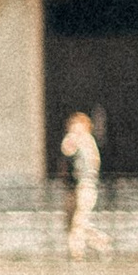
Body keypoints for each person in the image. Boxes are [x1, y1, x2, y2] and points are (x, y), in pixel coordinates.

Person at [60, 107, 107, 259]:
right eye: (72, 124)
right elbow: (66, 152)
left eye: (78, 124)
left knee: (78, 222)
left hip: (85, 186)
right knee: (72, 222)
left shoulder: (87, 141)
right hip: (71, 188)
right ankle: (100, 241)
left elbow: (91, 163)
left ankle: (76, 254)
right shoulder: (71, 139)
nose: (74, 127)